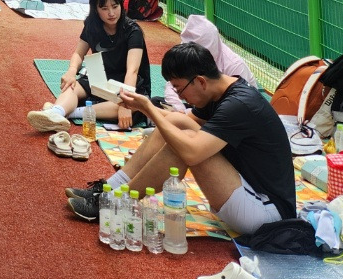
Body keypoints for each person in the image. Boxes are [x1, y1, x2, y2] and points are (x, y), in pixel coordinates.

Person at [67, 42, 297, 237]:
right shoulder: (219, 90)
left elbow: (191, 153)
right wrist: (142, 107)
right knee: (176, 123)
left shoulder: (238, 104)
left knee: (183, 144)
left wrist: (150, 108)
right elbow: (178, 121)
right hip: (245, 189)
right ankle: (110, 188)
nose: (179, 96)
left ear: (200, 81)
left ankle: (116, 202)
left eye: (179, 89)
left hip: (266, 214)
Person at [27, 0, 152, 133]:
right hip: (102, 77)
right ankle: (56, 112)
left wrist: (125, 103)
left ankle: (66, 113)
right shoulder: (92, 26)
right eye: (104, 8)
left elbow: (132, 71)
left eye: (115, 6)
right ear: (96, 9)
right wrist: (71, 72)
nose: (111, 13)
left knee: (134, 107)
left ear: (121, 5)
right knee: (71, 86)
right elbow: (79, 53)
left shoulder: (133, 31)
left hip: (129, 84)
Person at [162, 15, 258, 111]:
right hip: (203, 106)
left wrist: (184, 115)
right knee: (158, 103)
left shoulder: (234, 65)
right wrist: (180, 110)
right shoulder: (187, 58)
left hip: (227, 109)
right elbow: (175, 84)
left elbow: (244, 104)